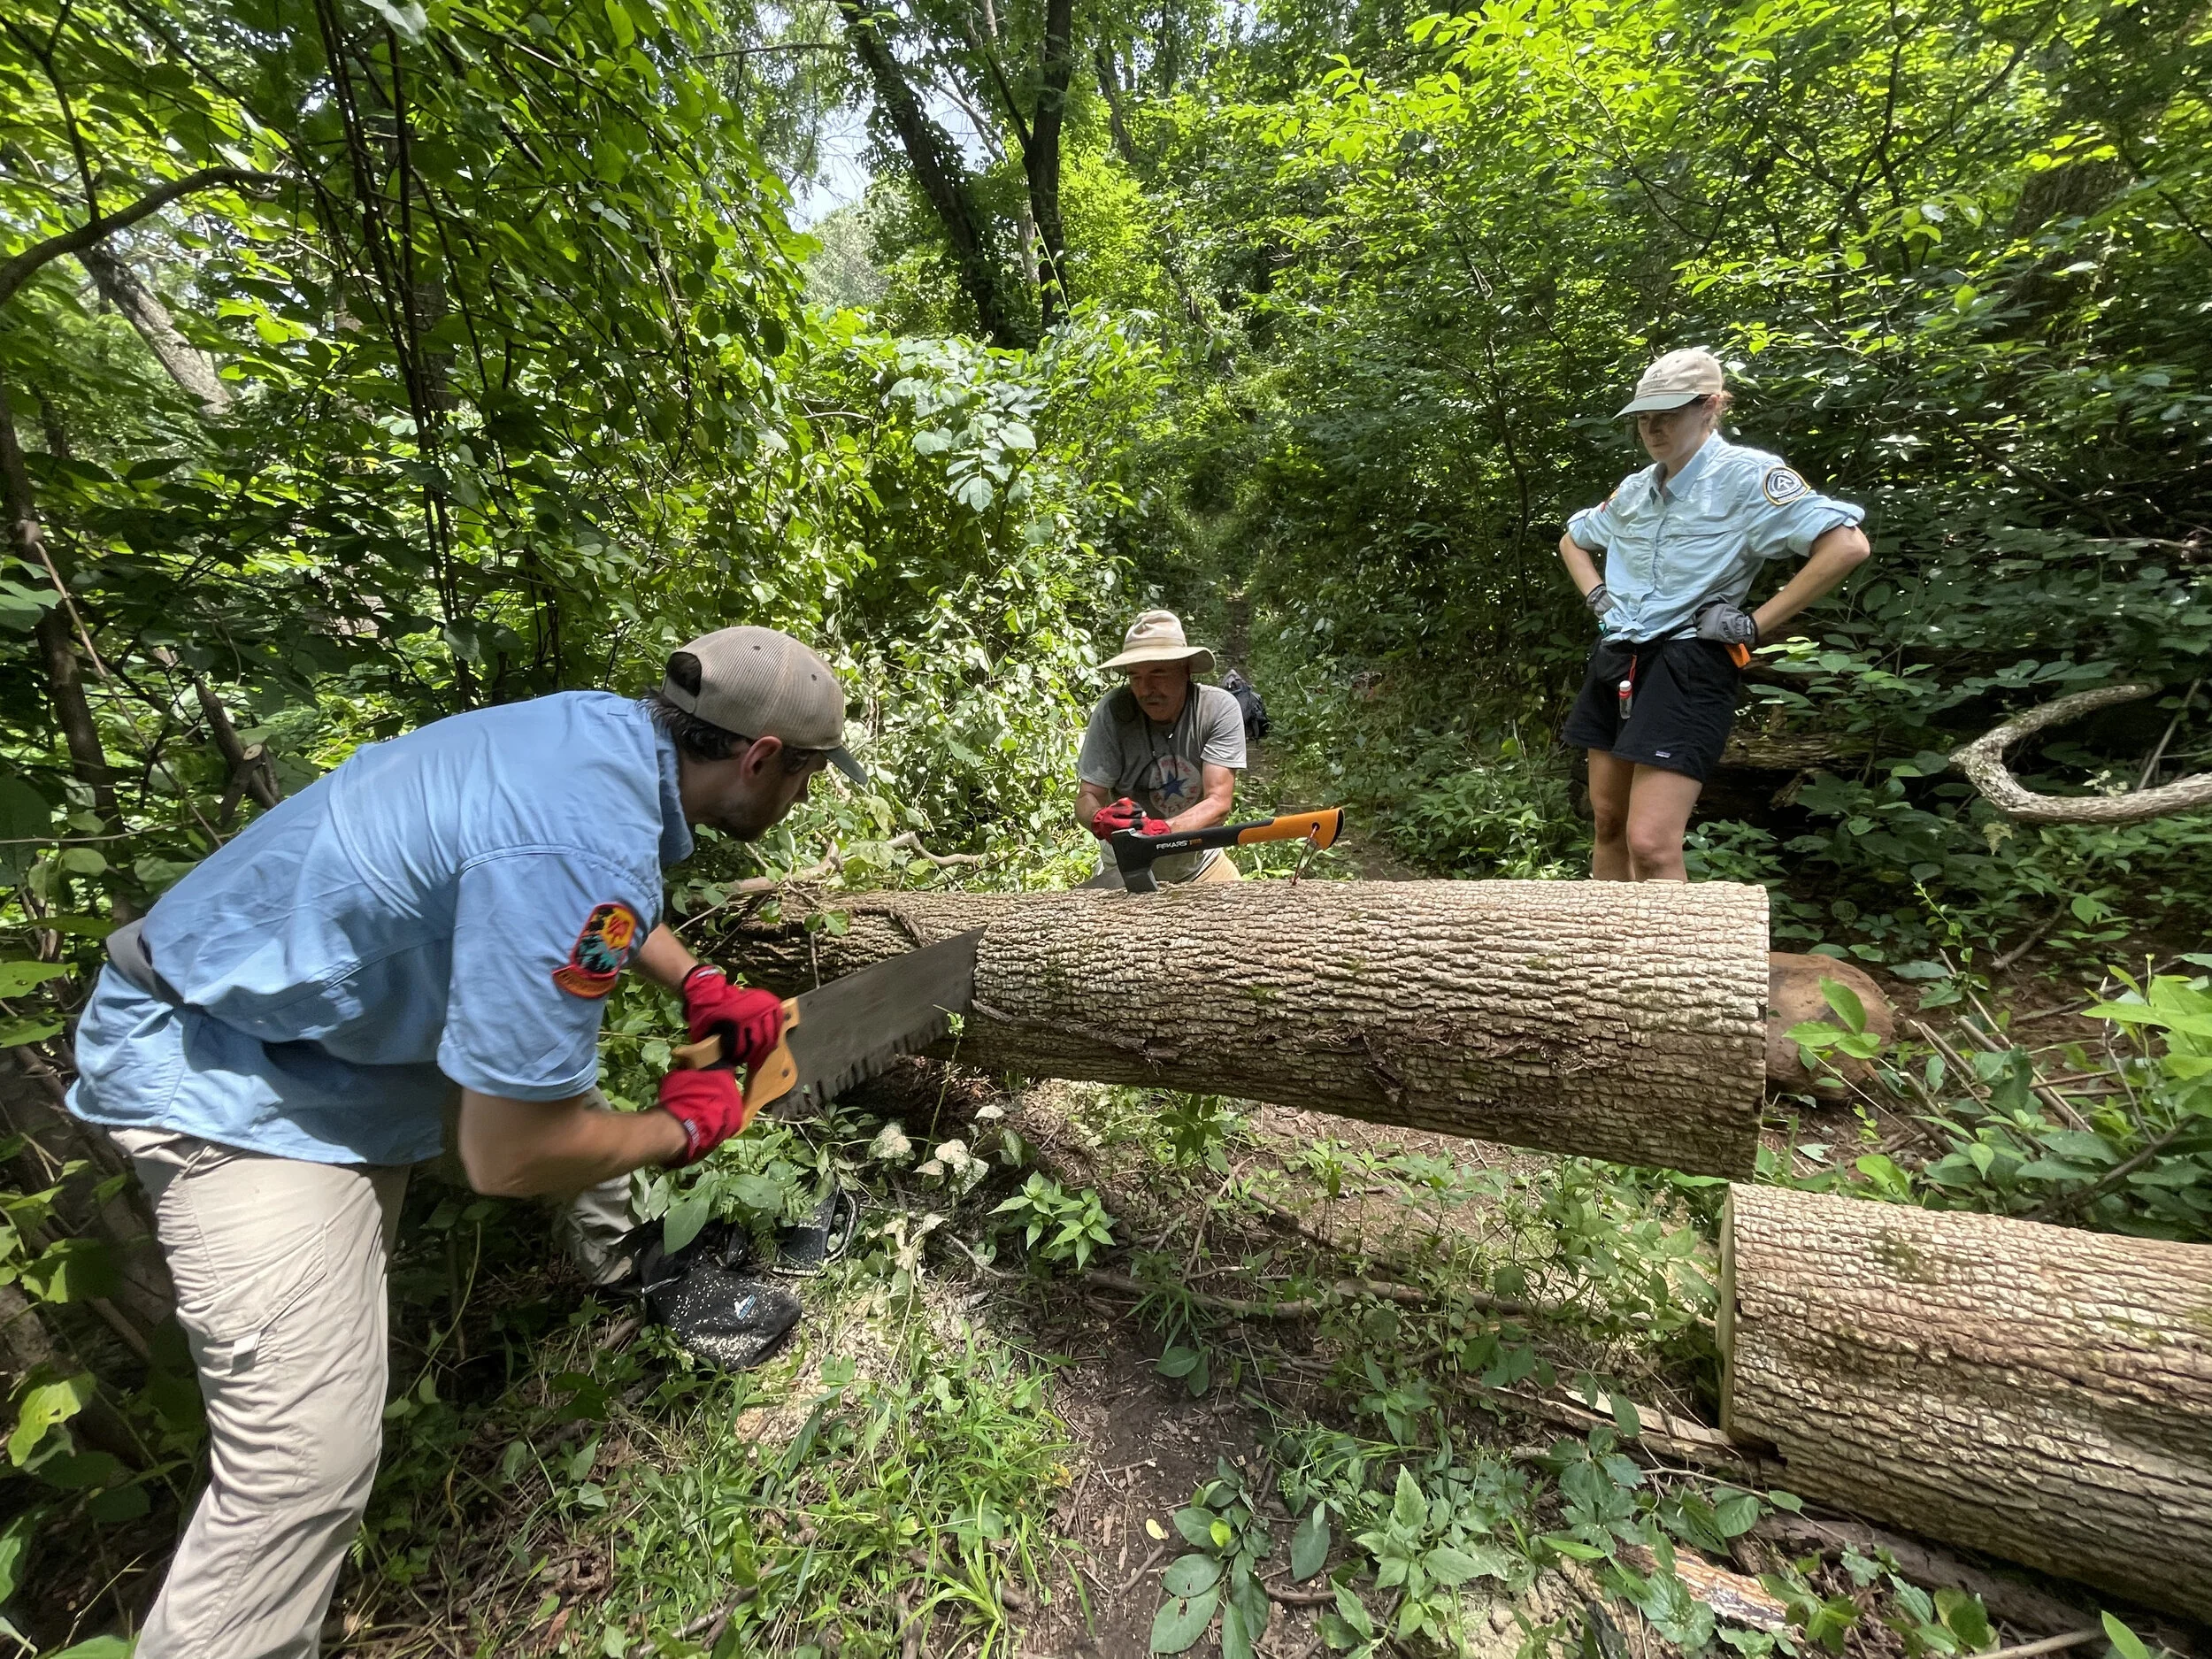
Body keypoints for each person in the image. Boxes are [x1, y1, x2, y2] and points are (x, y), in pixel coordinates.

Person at [66, 626, 864, 1659]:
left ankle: (622, 1261)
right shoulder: (579, 839)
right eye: (804, 778)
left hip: (321, 1049)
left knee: (557, 1093)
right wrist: (681, 1127)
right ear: (760, 758)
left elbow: (596, 894)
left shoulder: (600, 739)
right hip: (230, 1074)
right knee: (303, 1468)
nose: (799, 800)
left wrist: (697, 983)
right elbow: (511, 1155)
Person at [1558, 349, 1870, 881]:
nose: (1652, 427)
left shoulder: (1749, 477)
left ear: (1711, 406)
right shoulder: (1634, 490)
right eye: (1644, 416)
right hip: (1618, 656)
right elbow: (1573, 540)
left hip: (1688, 661)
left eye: (1668, 413)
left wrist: (1753, 625)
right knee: (1608, 822)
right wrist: (1597, 597)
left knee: (1651, 843)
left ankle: (1668, 963)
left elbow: (1847, 546)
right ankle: (1606, 957)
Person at [1075, 610, 1248, 888]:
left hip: (1201, 864)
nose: (1146, 689)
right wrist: (1099, 818)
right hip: (1126, 867)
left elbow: (1218, 802)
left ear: (1185, 670)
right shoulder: (1113, 712)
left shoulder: (1217, 709)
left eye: (1158, 673)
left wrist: (1164, 831)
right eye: (1135, 677)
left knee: (1243, 925)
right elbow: (1087, 796)